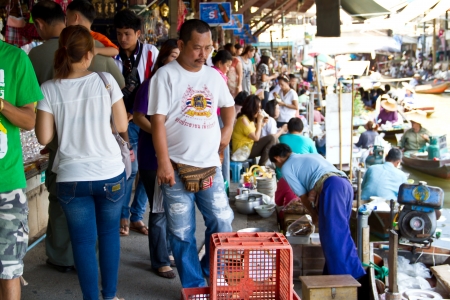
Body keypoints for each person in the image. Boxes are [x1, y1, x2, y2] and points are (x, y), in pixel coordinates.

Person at [29, 0, 125, 273]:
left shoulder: (36, 57)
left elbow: (42, 134)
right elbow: (119, 114)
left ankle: (61, 257)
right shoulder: (103, 67)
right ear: (89, 53)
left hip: (65, 157)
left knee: (59, 206)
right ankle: (104, 285)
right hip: (105, 162)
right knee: (103, 228)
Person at [148, 19, 235, 288]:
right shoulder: (165, 76)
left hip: (210, 166)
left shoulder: (213, 76)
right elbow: (157, 121)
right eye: (197, 48)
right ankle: (194, 285)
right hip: (175, 167)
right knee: (182, 231)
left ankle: (211, 273)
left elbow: (228, 106)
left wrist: (228, 128)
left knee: (222, 221)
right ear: (182, 44)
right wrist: (162, 163)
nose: (203, 55)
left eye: (208, 48)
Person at [269, 144, 365, 280]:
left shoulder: (286, 167)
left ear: (277, 158)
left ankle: (354, 278)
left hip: (332, 188)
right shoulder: (311, 155)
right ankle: (331, 275)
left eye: (275, 163)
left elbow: (302, 196)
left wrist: (314, 215)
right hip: (345, 186)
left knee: (334, 236)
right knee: (337, 234)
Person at [0, 39, 43, 300]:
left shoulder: (15, 58)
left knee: (9, 271)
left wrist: (2, 104)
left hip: (6, 185)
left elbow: (30, 120)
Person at [133, 39, 179, 279]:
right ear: (163, 59)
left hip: (177, 157)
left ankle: (167, 252)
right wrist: (159, 132)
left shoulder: (181, 84)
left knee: (173, 207)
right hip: (153, 157)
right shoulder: (151, 84)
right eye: (173, 56)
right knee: (160, 208)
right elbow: (138, 116)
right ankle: (160, 260)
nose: (177, 60)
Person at [114, 9, 159, 236]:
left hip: (147, 119)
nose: (122, 39)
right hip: (124, 122)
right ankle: (123, 215)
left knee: (148, 169)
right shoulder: (112, 55)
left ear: (138, 33)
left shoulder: (151, 53)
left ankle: (136, 215)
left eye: (127, 34)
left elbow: (156, 85)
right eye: (119, 33)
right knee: (130, 169)